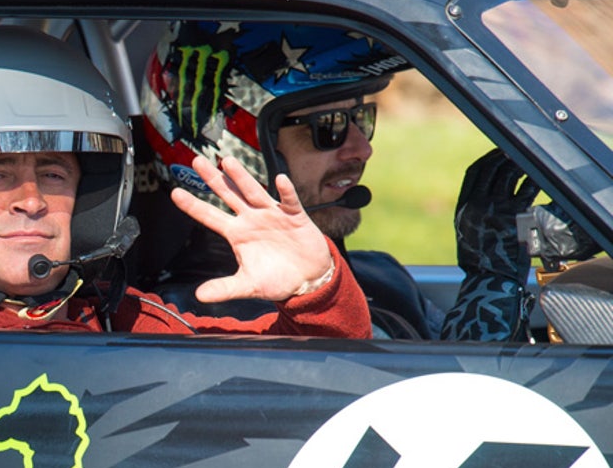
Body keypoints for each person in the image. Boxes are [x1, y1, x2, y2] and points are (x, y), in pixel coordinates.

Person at [0, 25, 370, 337]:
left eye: (53, 173)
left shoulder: (125, 320)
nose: (31, 200)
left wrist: (315, 287)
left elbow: (306, 390)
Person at [134, 20, 543, 341]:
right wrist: (491, 286)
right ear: (228, 145)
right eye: (327, 125)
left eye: (360, 116)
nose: (361, 149)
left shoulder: (382, 276)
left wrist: (491, 279)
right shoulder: (198, 321)